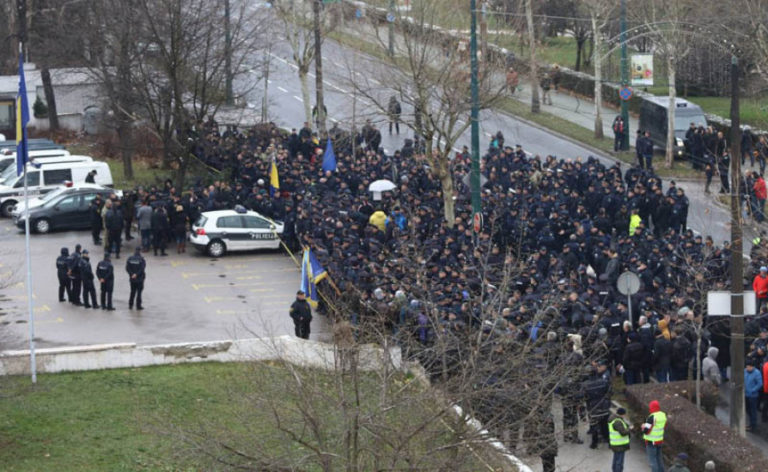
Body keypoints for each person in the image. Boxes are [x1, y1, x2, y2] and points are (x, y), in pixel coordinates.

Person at [584, 361, 612, 449]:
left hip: (593, 407)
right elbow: (610, 392)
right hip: (603, 406)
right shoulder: (603, 382)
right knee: (605, 425)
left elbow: (583, 396)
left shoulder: (586, 385)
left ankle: (594, 443)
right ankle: (609, 442)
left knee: (594, 425)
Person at [642, 400, 667, 472]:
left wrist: (643, 427)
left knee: (653, 461)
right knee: (659, 459)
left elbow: (646, 431)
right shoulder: (663, 415)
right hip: (659, 440)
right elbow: (663, 426)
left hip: (651, 442)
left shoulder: (652, 417)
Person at [608, 407, 631, 472]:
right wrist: (630, 429)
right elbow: (623, 432)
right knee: (619, 462)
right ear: (622, 414)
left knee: (616, 459)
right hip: (620, 445)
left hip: (615, 444)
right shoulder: (617, 421)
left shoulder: (613, 419)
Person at [745, 361, 763, 432]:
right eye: (746, 367)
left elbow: (760, 384)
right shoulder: (745, 371)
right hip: (746, 394)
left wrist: (753, 390)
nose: (747, 368)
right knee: (747, 409)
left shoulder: (757, 373)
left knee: (753, 410)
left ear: (753, 367)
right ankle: (751, 423)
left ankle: (753, 425)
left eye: (749, 367)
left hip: (753, 396)